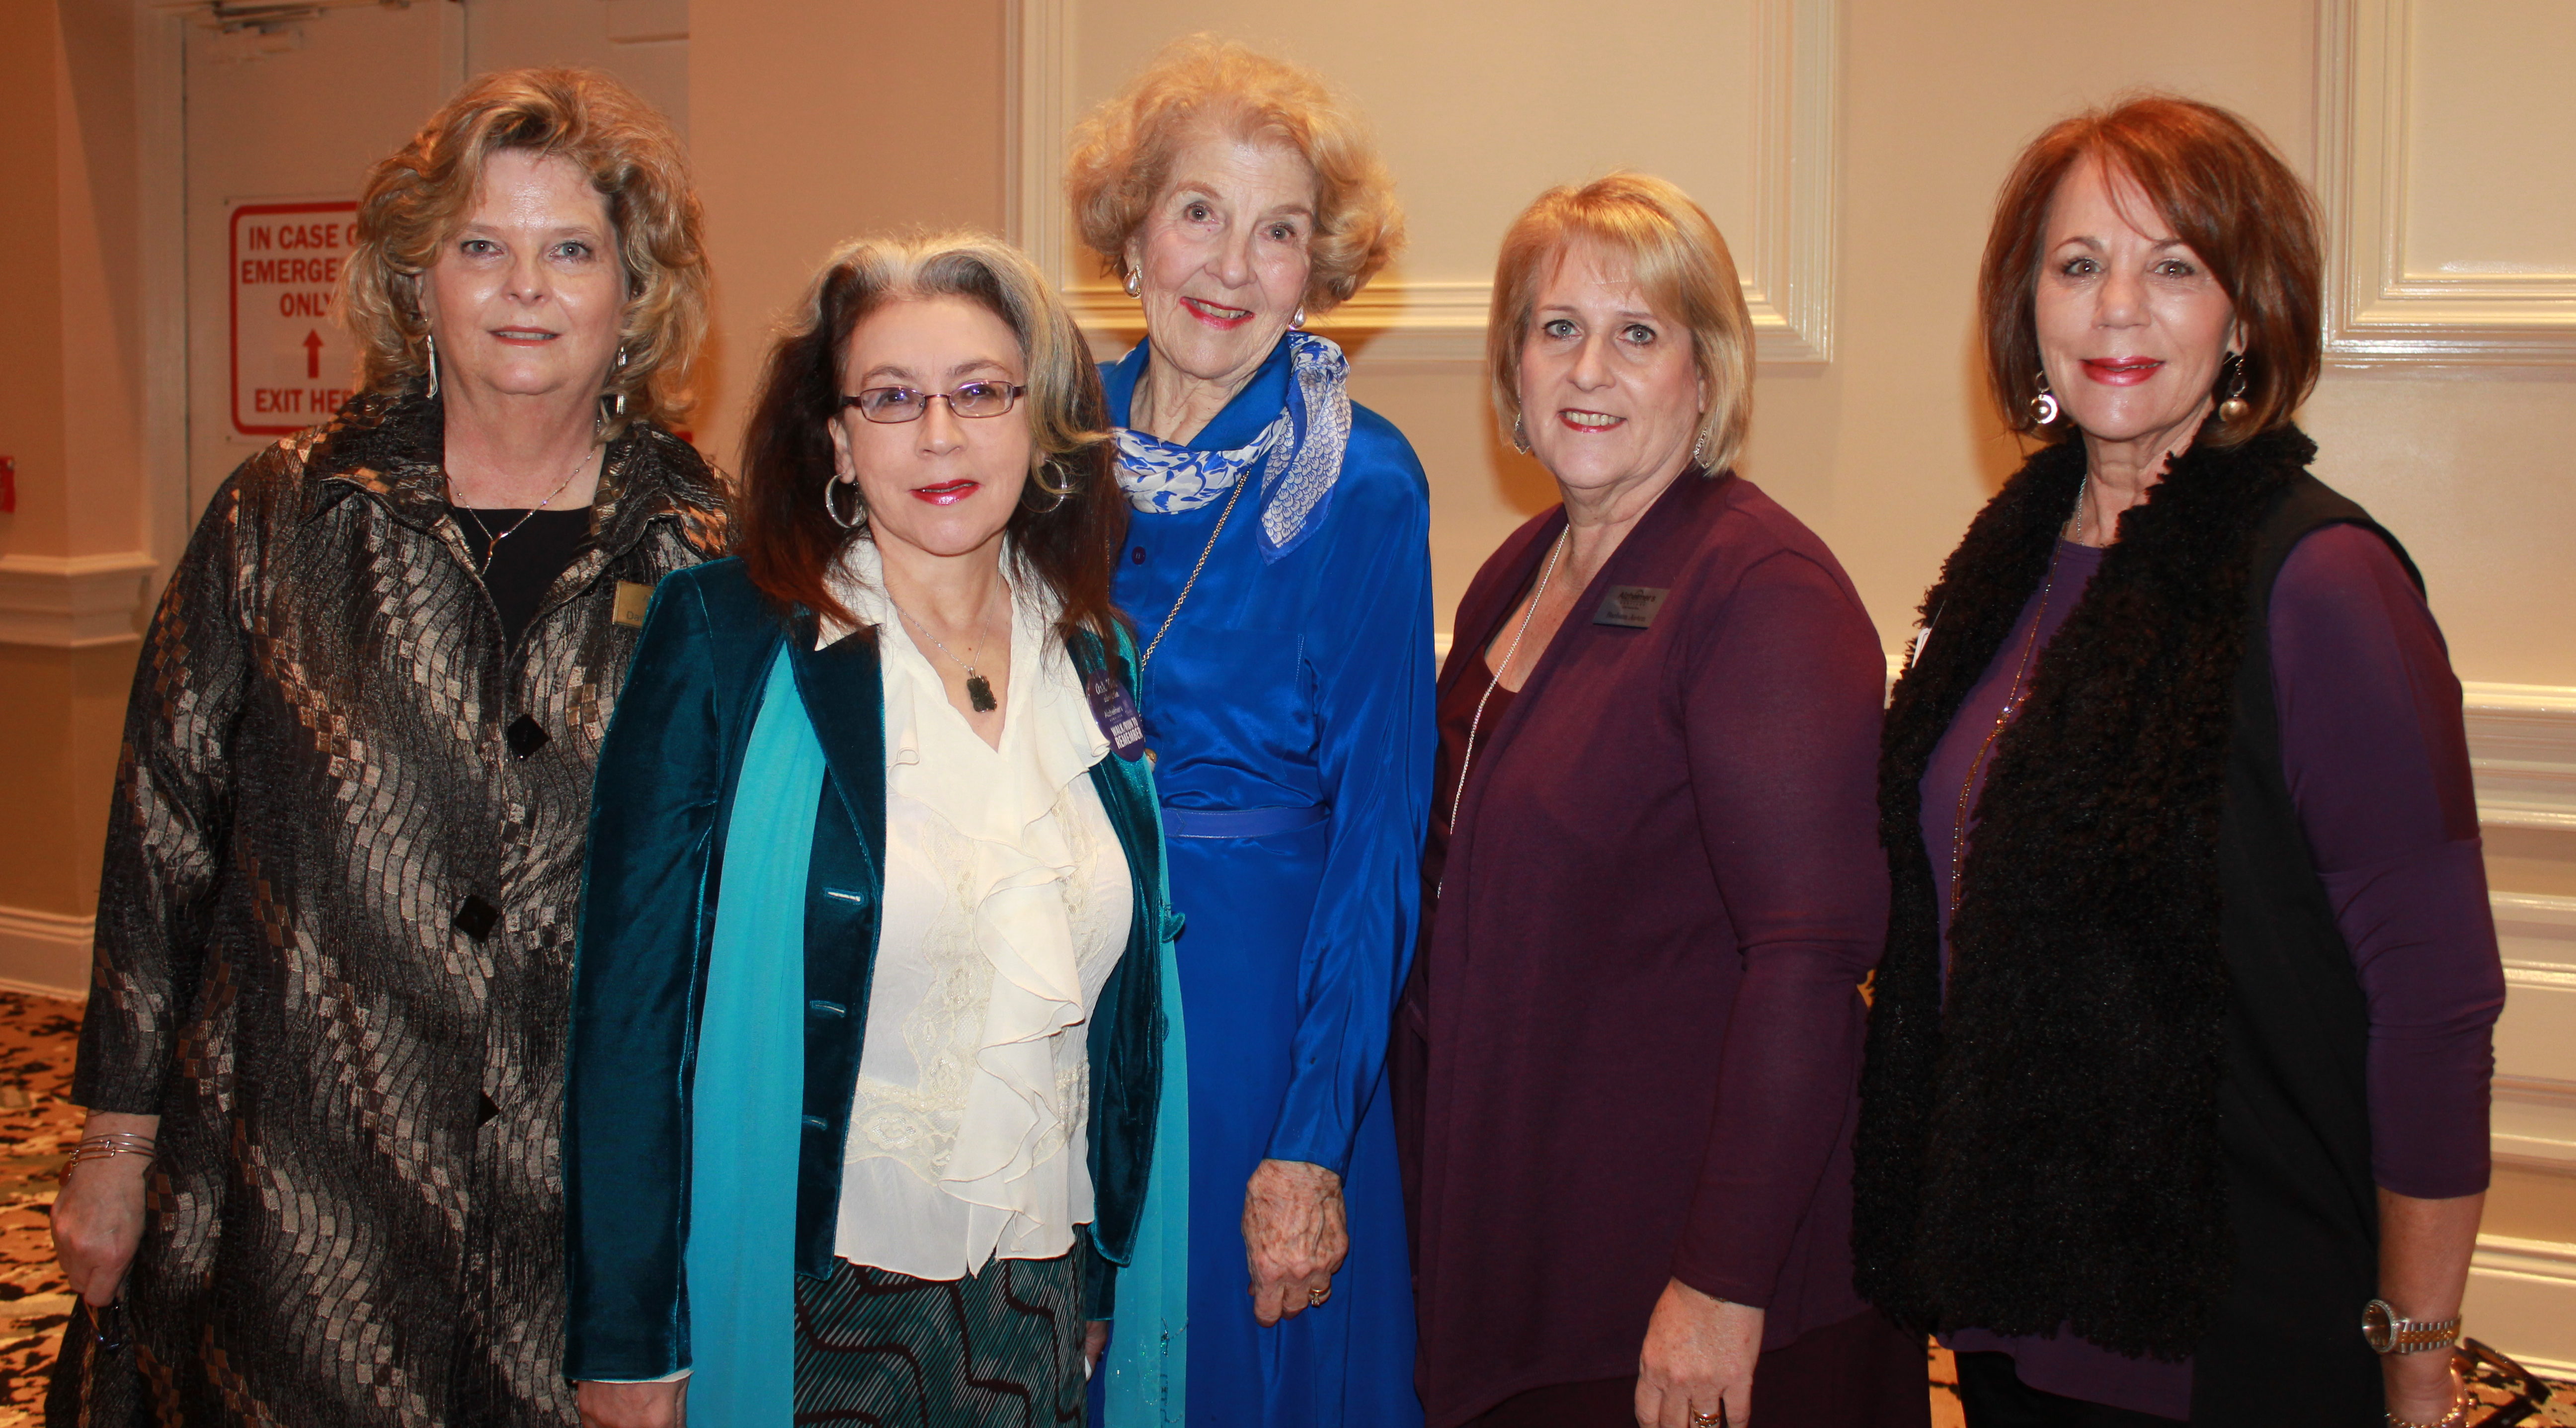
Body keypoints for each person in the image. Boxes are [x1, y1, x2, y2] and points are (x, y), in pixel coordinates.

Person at [47, 68, 722, 1427]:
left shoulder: (708, 555)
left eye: (571, 250)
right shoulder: (284, 516)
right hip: (296, 1194)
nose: (524, 288)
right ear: (417, 285)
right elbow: (161, 836)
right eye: (480, 246)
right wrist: (115, 1142)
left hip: (572, 1214)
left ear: (634, 295)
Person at [1851, 96, 2505, 1428]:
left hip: (2229, 1333)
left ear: (2245, 314)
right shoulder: (2005, 563)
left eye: (2174, 267)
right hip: (2007, 1291)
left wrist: (2418, 1350)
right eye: (2078, 263)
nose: (2117, 309)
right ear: (2027, 304)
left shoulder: (2323, 585)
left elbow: (2438, 1006)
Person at [562, 231, 1178, 1428]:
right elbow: (630, 1008)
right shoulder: (725, 638)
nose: (940, 435)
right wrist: (628, 1336)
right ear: (839, 442)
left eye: (981, 392)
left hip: (1035, 1283)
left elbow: (1118, 1013)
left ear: (1039, 424)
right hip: (811, 1285)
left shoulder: (1095, 655)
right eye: (892, 398)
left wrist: (1099, 1268)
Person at [1394, 172, 1927, 1428]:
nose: (1590, 369)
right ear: (1514, 364)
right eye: (1557, 327)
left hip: (1691, 1294)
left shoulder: (1764, 591)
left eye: (1639, 333)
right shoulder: (1521, 570)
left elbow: (1810, 960)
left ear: (1707, 373)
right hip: (1532, 1252)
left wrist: (1721, 1284)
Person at [1063, 36, 1431, 1427]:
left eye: (1278, 231)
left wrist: (1311, 1139)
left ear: (1314, 269)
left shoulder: (1360, 481)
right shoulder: (1047, 445)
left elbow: (1382, 838)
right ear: (1132, 235)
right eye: (1199, 212)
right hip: (1052, 997)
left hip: (1252, 1028)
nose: (1231, 266)